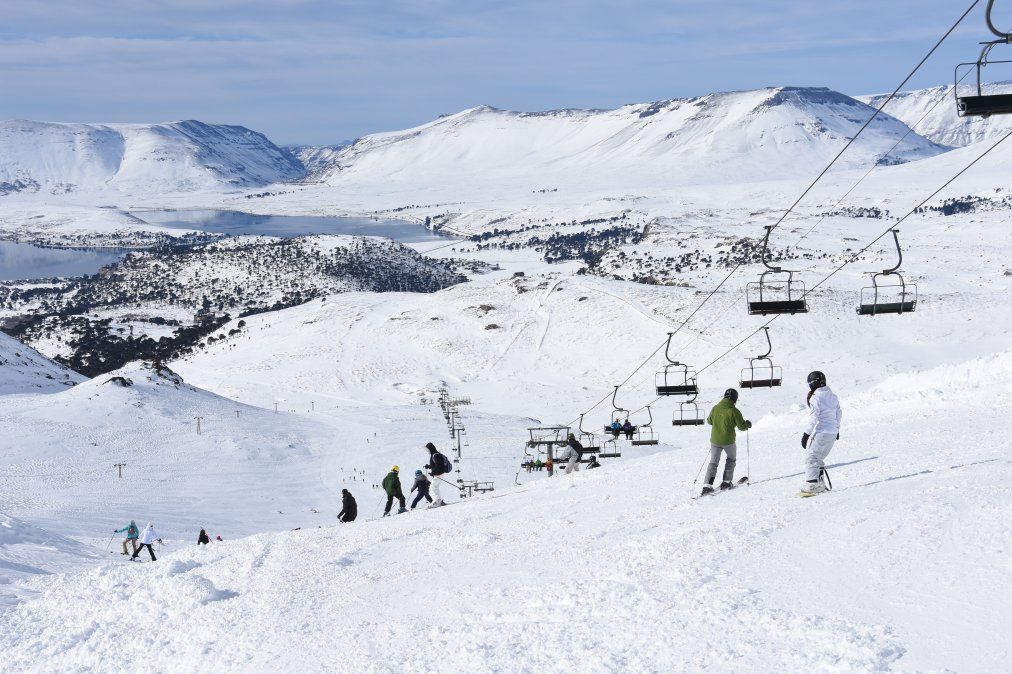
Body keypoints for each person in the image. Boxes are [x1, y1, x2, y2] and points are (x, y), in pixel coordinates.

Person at [701, 388, 752, 496]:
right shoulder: (734, 411)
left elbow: (709, 421)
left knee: (713, 462)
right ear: (735, 399)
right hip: (728, 441)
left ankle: (707, 486)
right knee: (731, 459)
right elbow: (742, 427)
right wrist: (748, 424)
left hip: (715, 440)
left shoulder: (715, 408)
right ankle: (726, 482)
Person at [800, 371, 843, 495]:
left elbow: (814, 418)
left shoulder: (816, 397)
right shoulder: (833, 396)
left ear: (813, 384)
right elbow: (838, 413)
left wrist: (806, 434)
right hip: (832, 432)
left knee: (811, 458)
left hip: (823, 432)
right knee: (818, 458)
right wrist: (837, 428)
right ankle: (819, 483)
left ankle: (812, 484)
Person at [424, 442, 452, 507]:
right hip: (440, 473)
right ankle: (439, 501)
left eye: (427, 449)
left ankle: (436, 501)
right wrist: (429, 466)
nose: (427, 451)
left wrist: (433, 472)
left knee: (431, 489)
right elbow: (435, 464)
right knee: (435, 487)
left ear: (430, 448)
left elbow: (438, 465)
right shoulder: (435, 454)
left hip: (438, 474)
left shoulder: (435, 455)